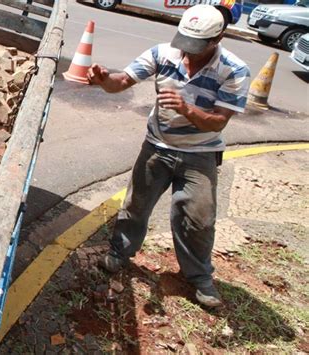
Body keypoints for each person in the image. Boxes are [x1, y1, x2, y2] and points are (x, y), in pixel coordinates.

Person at [87, 4, 250, 307]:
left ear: (218, 38)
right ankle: (119, 252)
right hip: (157, 146)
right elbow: (122, 81)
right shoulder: (163, 53)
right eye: (184, 41)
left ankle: (199, 277)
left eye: (196, 46)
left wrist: (185, 108)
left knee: (198, 219)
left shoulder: (234, 70)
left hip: (200, 153)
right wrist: (104, 79)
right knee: (135, 205)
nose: (187, 52)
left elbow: (218, 121)